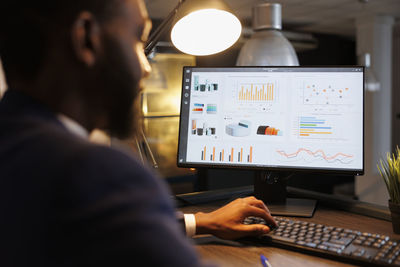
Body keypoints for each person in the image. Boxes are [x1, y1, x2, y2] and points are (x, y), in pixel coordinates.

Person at [0, 0, 277, 266]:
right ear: (86, 39)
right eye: (137, 39)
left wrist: (200, 222)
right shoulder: (94, 173)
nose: (145, 67)